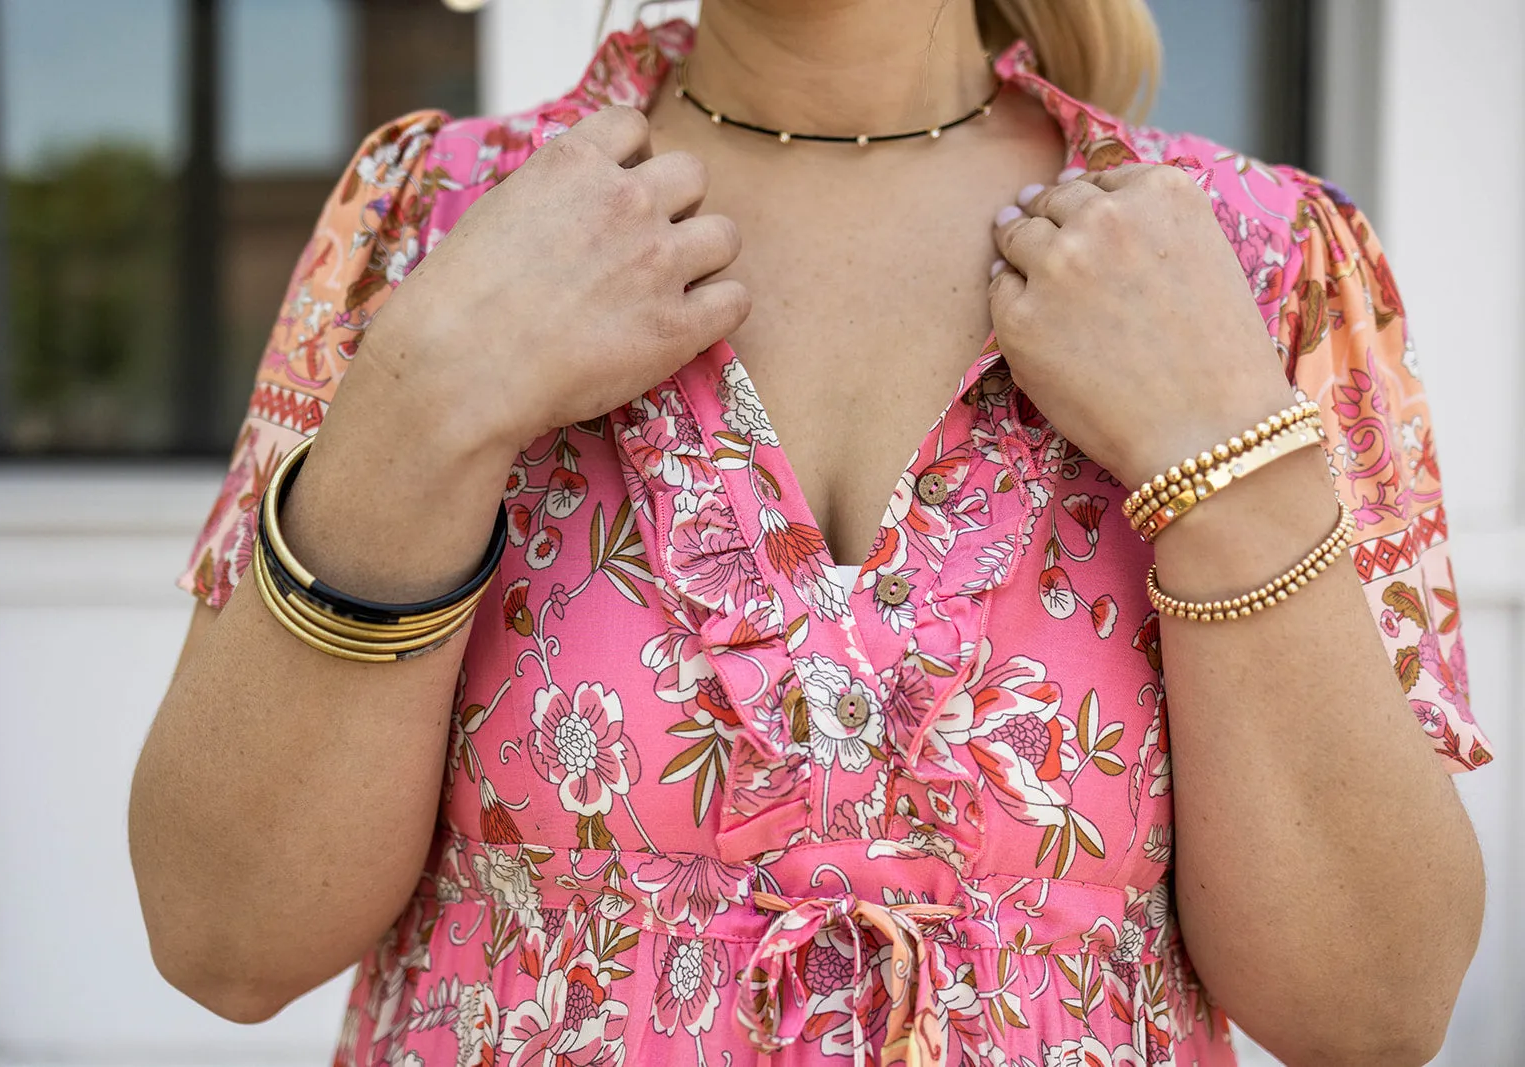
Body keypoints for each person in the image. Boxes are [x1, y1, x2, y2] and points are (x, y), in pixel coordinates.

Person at [128, 2, 1494, 1064]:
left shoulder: (1255, 264)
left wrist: (1218, 450)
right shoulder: (431, 223)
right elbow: (226, 932)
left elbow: (1372, 1007)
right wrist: (430, 400)